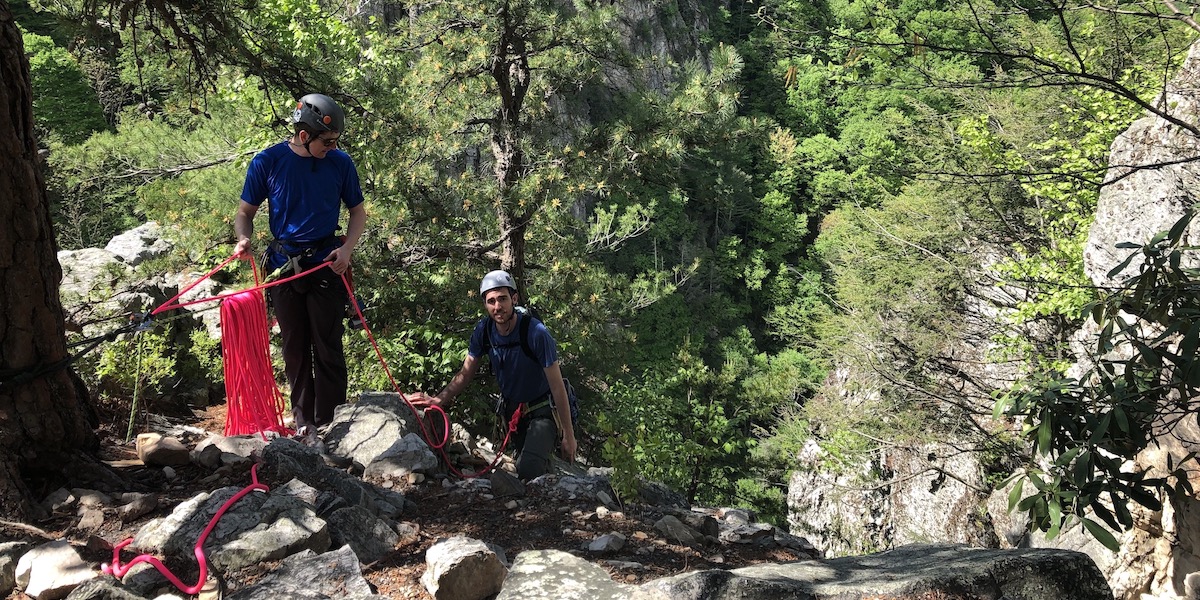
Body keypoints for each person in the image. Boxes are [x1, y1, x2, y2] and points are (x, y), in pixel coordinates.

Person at [232, 93, 366, 446]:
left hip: (325, 262)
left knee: (328, 345)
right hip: (284, 265)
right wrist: (243, 240)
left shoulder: (340, 163)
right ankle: (304, 423)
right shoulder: (269, 161)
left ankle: (332, 422)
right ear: (304, 135)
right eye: (327, 141)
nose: (333, 147)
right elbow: (245, 212)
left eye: (336, 141)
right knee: (294, 346)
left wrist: (347, 251)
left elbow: (358, 212)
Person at [413, 270, 577, 479]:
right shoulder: (484, 331)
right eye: (491, 301)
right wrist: (438, 399)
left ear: (514, 299)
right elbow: (465, 374)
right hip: (513, 412)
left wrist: (569, 436)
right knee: (525, 464)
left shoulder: (536, 332)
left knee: (528, 470)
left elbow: (557, 386)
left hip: (543, 410)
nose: (498, 306)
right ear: (485, 304)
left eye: (502, 299)